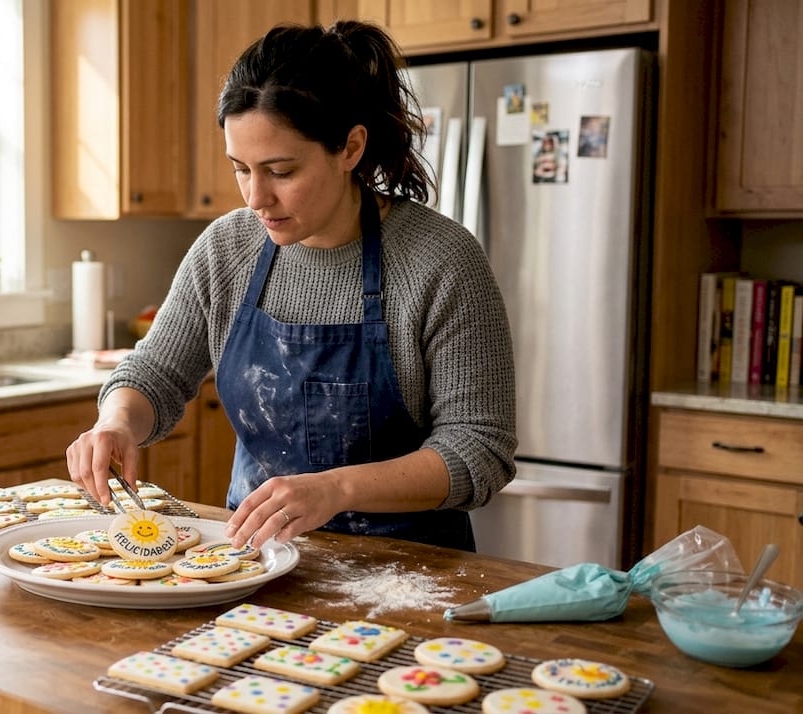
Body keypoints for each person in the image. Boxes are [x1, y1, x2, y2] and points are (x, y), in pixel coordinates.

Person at [66, 20, 516, 552]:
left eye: (280, 171)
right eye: (241, 169)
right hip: (255, 561)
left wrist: (337, 488)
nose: (256, 197)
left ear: (350, 148)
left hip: (414, 575)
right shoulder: (226, 250)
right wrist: (117, 421)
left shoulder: (440, 260)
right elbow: (156, 373)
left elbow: (480, 448)